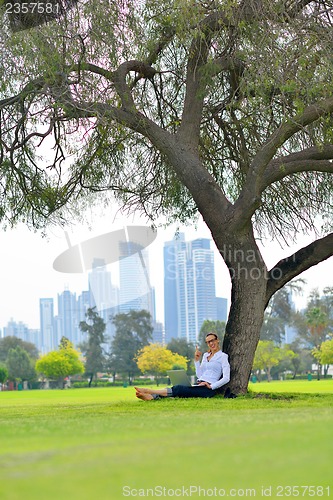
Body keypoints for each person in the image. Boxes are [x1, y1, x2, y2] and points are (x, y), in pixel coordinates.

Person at [135, 332, 230, 401]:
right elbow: (200, 375)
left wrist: (211, 386)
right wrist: (197, 360)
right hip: (199, 384)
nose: (211, 343)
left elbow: (226, 378)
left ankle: (149, 391)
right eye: (208, 342)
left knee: (179, 389)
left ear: (217, 340)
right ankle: (152, 397)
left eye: (212, 340)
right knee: (181, 391)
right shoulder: (205, 355)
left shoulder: (223, 357)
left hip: (208, 390)